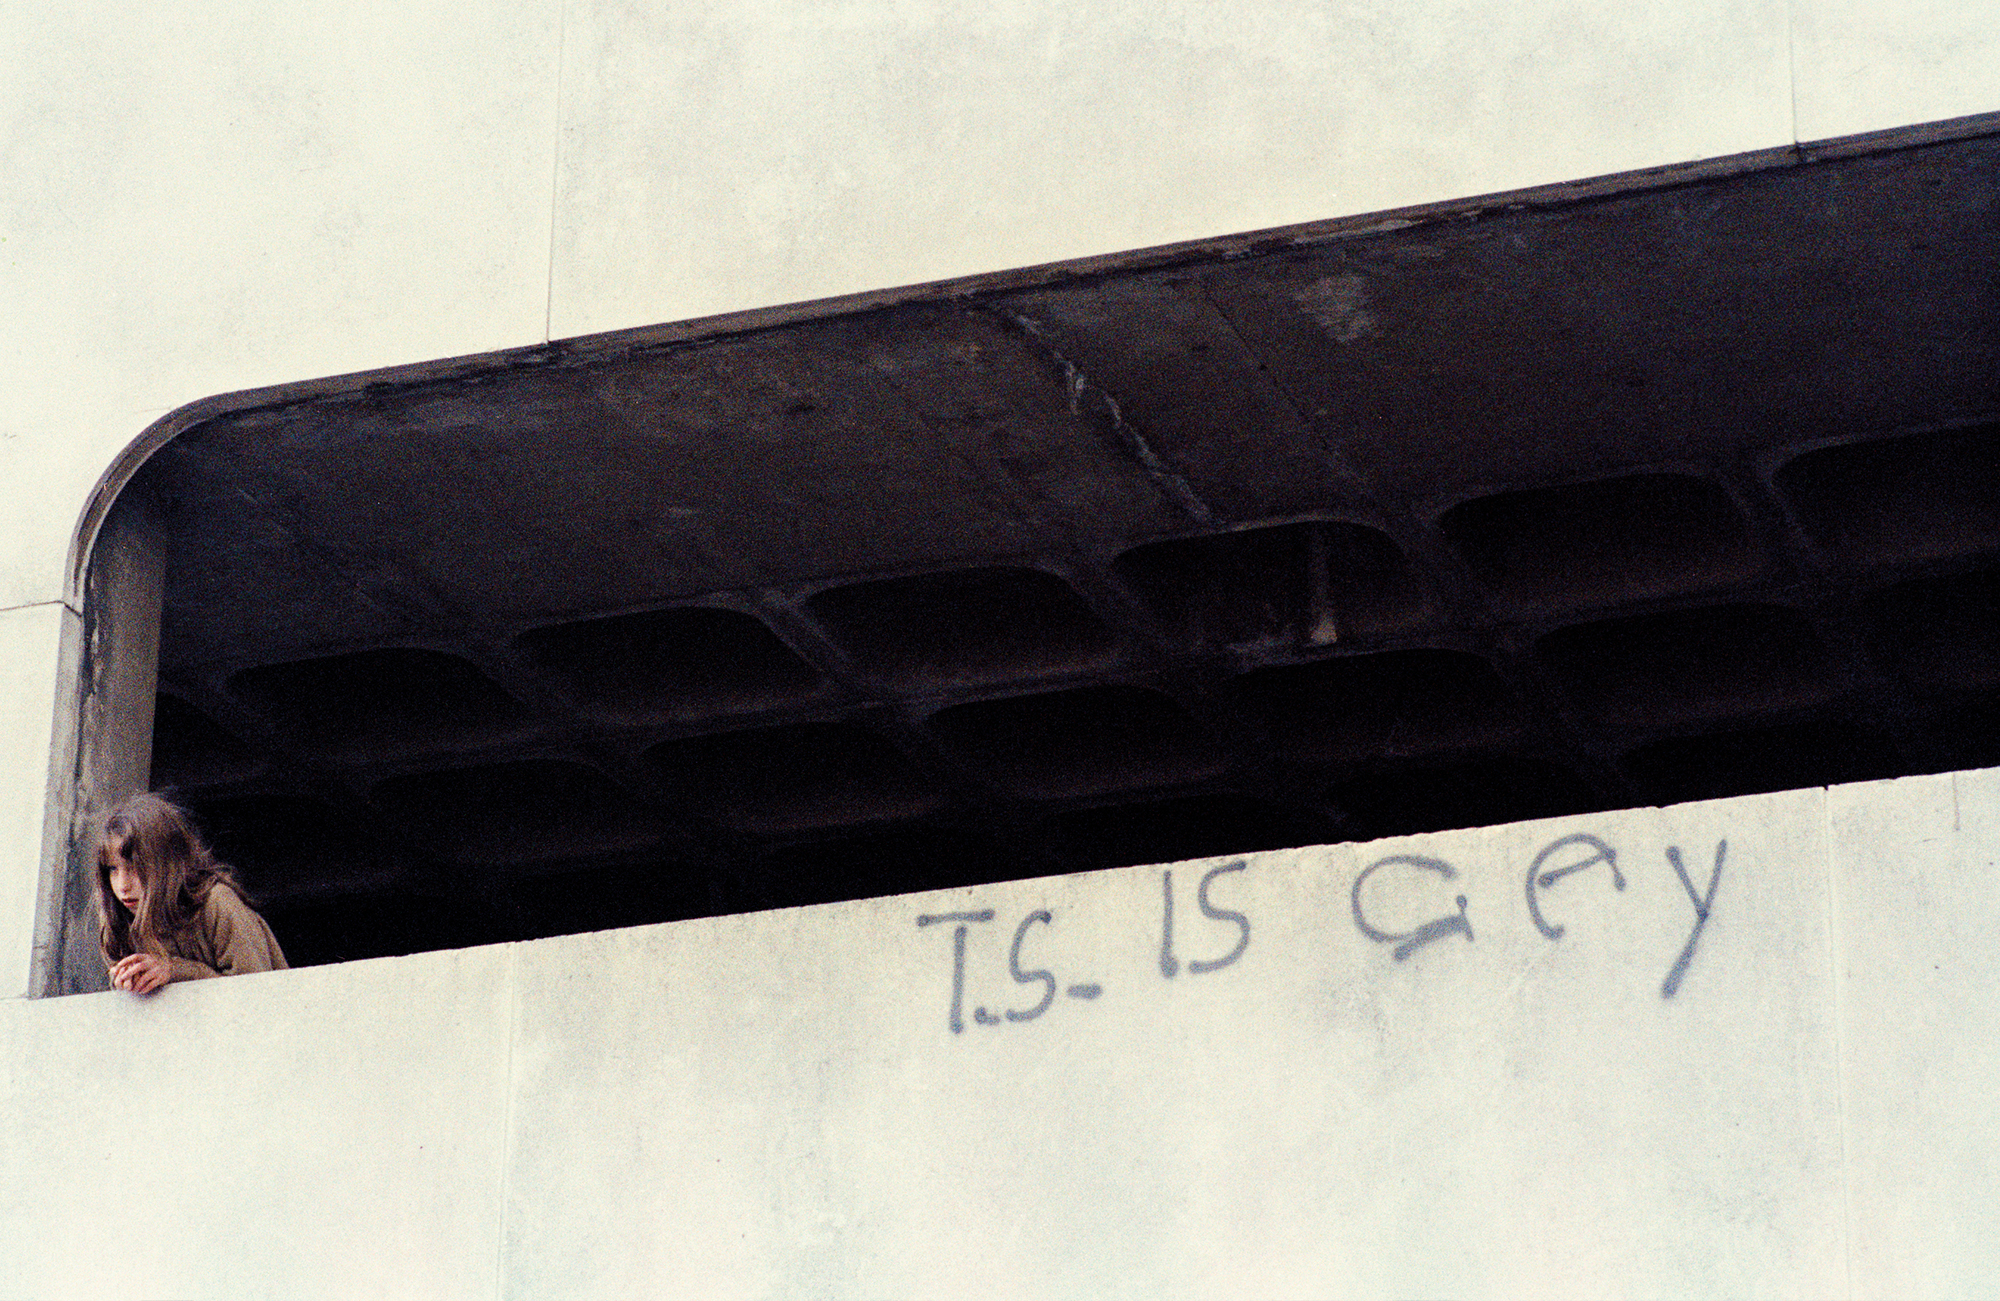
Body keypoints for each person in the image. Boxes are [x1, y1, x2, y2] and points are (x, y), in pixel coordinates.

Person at [96, 792, 287, 993]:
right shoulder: (118, 921)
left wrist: (175, 970)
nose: (122, 885)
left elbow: (256, 995)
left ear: (167, 865)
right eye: (112, 869)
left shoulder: (217, 904)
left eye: (135, 867)